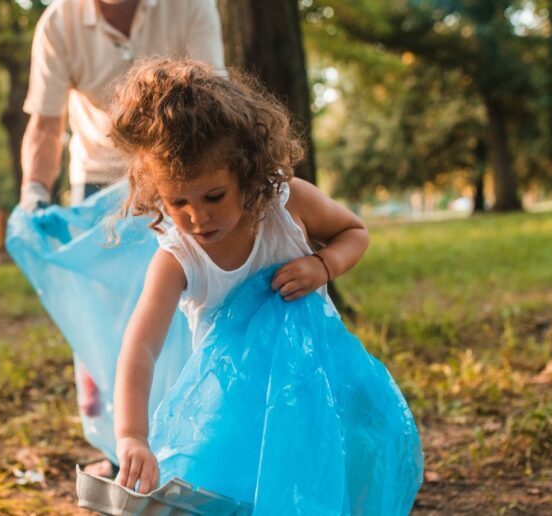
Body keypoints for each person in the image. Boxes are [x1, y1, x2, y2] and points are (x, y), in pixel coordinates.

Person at [108, 59, 422, 511]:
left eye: (214, 196)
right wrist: (132, 436)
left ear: (247, 171)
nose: (198, 217)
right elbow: (139, 348)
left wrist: (323, 266)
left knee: (339, 462)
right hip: (236, 408)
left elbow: (355, 232)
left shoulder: (288, 206)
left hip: (321, 378)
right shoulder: (178, 258)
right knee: (247, 491)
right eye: (178, 202)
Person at [17, 0, 224, 473]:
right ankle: (121, 448)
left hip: (182, 178)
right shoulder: (60, 23)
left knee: (185, 311)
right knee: (108, 321)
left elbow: (214, 98)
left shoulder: (190, 8)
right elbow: (47, 124)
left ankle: (196, 438)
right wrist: (34, 193)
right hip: (101, 185)